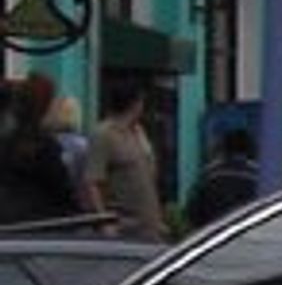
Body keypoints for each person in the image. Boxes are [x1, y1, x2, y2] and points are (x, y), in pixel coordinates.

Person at [87, 82, 169, 243]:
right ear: (135, 104)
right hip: (124, 223)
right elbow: (92, 181)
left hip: (149, 224)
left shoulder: (139, 132)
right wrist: (104, 222)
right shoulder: (104, 134)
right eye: (141, 102)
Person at [0, 74, 82, 225]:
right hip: (42, 228)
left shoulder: (7, 142)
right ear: (45, 106)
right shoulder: (46, 147)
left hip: (9, 228)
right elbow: (62, 191)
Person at [184, 126, 262, 228]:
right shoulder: (260, 177)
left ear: (224, 149)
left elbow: (192, 213)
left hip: (215, 236)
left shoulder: (209, 175)